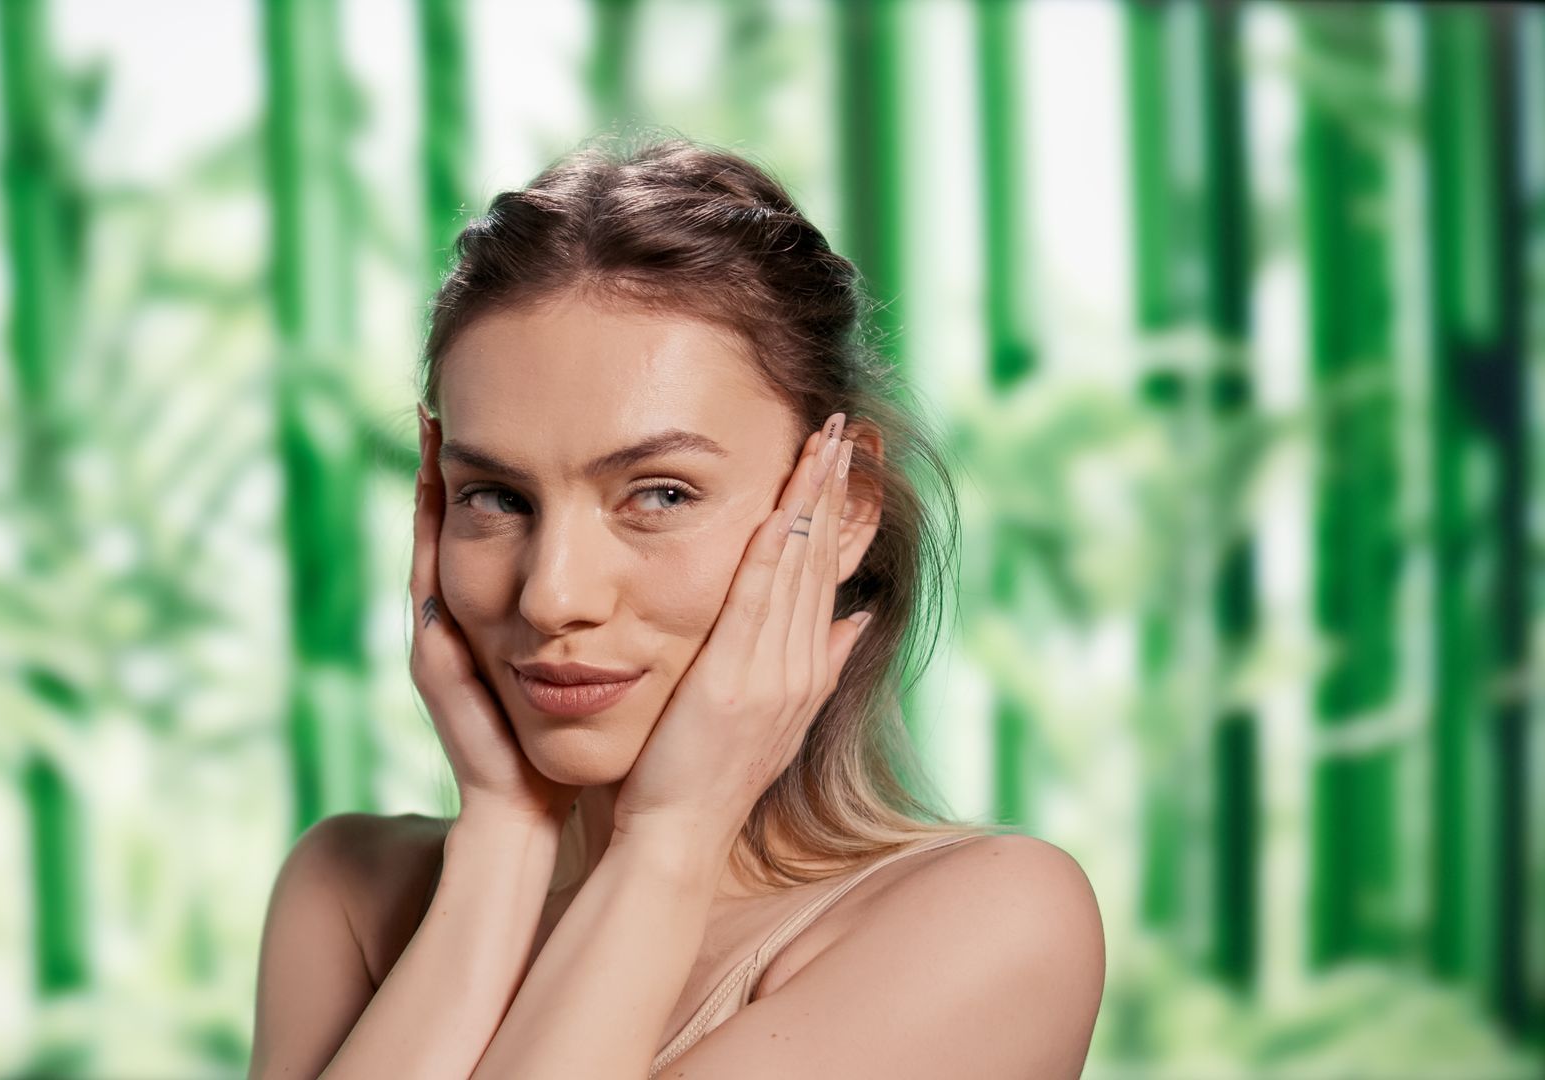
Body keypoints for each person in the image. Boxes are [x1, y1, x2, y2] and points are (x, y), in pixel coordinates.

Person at [247, 136, 1105, 1080]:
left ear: (841, 512)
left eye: (660, 494)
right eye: (496, 496)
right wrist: (501, 842)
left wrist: (669, 839)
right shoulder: (347, 893)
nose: (553, 594)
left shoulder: (985, 922)